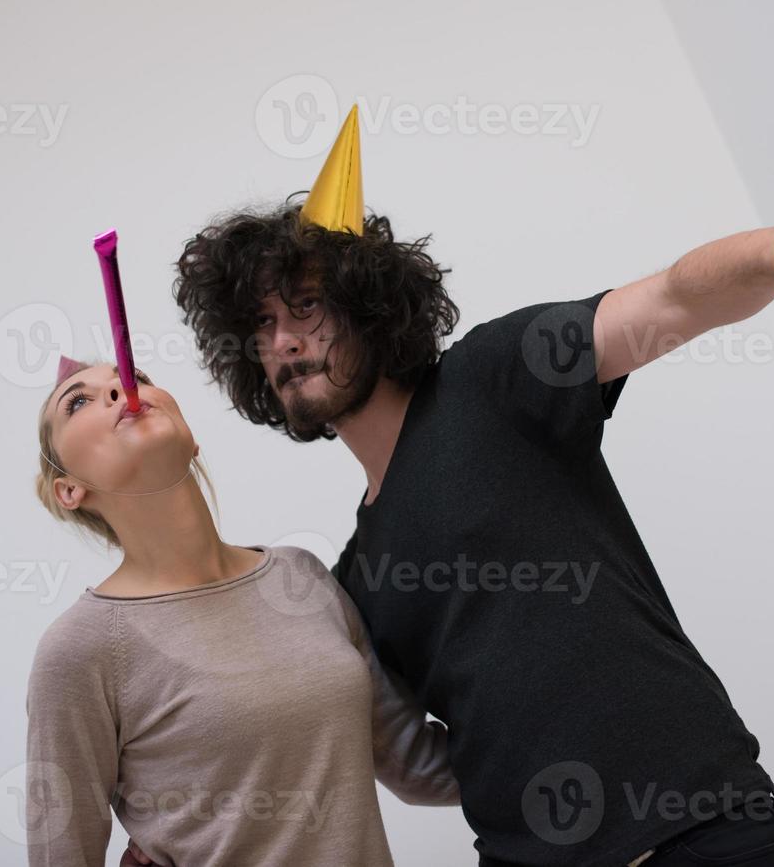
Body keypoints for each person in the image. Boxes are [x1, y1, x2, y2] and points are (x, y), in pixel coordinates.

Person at [168, 107, 774, 864]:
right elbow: (386, 758)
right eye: (261, 324)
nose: (282, 340)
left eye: (306, 307)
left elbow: (674, 298)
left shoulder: (492, 377)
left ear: (367, 302)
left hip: (702, 832)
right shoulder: (352, 581)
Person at [25, 355, 459, 867]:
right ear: (69, 490)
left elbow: (422, 768)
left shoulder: (301, 579)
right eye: (78, 402)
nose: (122, 391)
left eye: (134, 379)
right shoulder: (80, 649)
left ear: (191, 438)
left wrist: (562, 743)